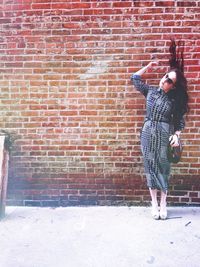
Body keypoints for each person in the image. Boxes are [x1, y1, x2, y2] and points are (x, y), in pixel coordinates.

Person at [131, 40, 189, 220]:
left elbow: (179, 121)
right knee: (150, 166)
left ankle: (164, 203)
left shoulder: (174, 101)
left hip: (164, 133)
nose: (164, 80)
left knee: (163, 167)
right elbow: (134, 78)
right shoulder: (150, 91)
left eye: (169, 80)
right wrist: (147, 66)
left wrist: (177, 136)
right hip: (148, 132)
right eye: (165, 76)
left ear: (174, 85)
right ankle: (154, 203)